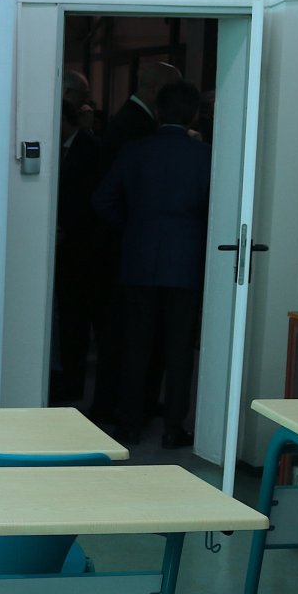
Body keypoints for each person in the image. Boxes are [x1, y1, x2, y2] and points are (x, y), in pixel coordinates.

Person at [92, 81, 211, 447]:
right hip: (186, 263)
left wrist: (133, 228)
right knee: (179, 350)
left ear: (157, 112)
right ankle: (174, 427)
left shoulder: (135, 151)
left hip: (139, 259)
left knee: (136, 346)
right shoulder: (206, 156)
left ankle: (128, 424)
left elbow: (102, 201)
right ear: (194, 114)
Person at [86, 60, 180, 425]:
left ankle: (115, 405)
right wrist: (134, 228)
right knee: (124, 334)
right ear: (156, 89)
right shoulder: (136, 128)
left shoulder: (128, 121)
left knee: (121, 332)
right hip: (123, 248)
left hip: (119, 246)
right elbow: (111, 195)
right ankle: (119, 407)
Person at [50, 70, 105, 403]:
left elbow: (94, 202)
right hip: (57, 251)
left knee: (74, 325)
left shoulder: (91, 150)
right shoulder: (63, 149)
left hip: (80, 254)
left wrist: (66, 232)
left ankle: (70, 391)